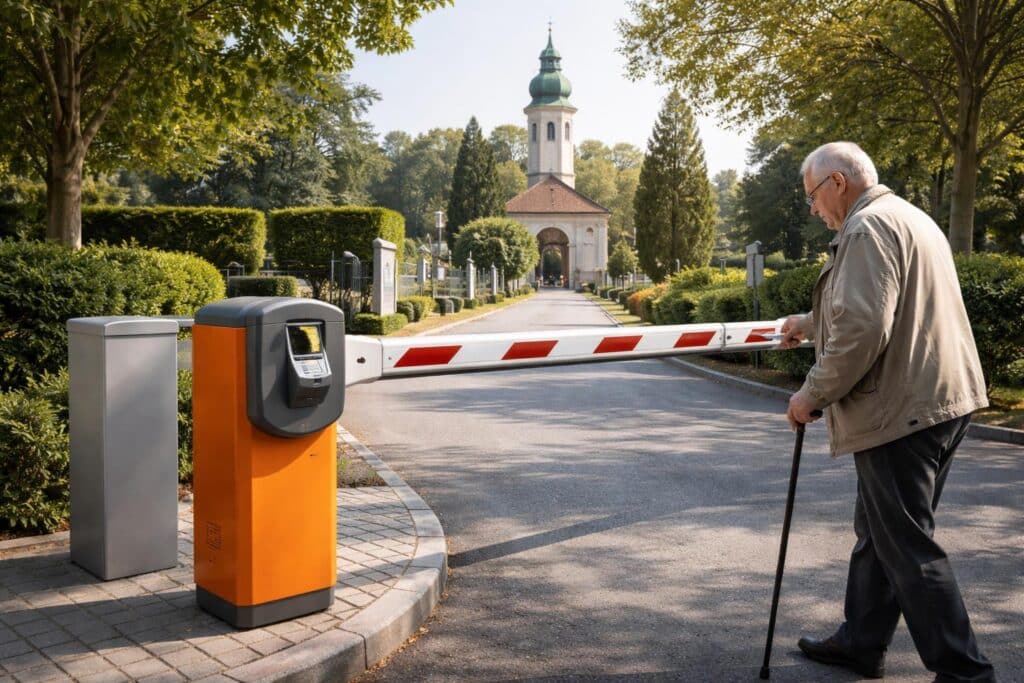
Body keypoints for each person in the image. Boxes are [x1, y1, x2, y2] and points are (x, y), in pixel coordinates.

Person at [779, 142, 995, 682]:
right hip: (941, 397)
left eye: (811, 196)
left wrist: (811, 395)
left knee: (904, 543)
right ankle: (861, 641)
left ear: (837, 183)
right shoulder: (906, 216)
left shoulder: (863, 228)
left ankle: (966, 673)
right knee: (880, 531)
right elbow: (884, 304)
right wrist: (809, 323)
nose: (812, 209)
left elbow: (863, 330)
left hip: (903, 408)